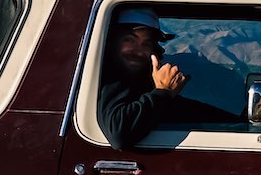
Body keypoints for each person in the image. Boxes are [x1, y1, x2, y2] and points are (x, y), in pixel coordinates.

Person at [97, 8, 233, 150]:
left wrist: (234, 123)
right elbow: (119, 136)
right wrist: (163, 91)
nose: (138, 51)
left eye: (146, 43)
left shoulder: (142, 83)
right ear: (111, 42)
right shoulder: (110, 78)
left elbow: (180, 109)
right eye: (129, 40)